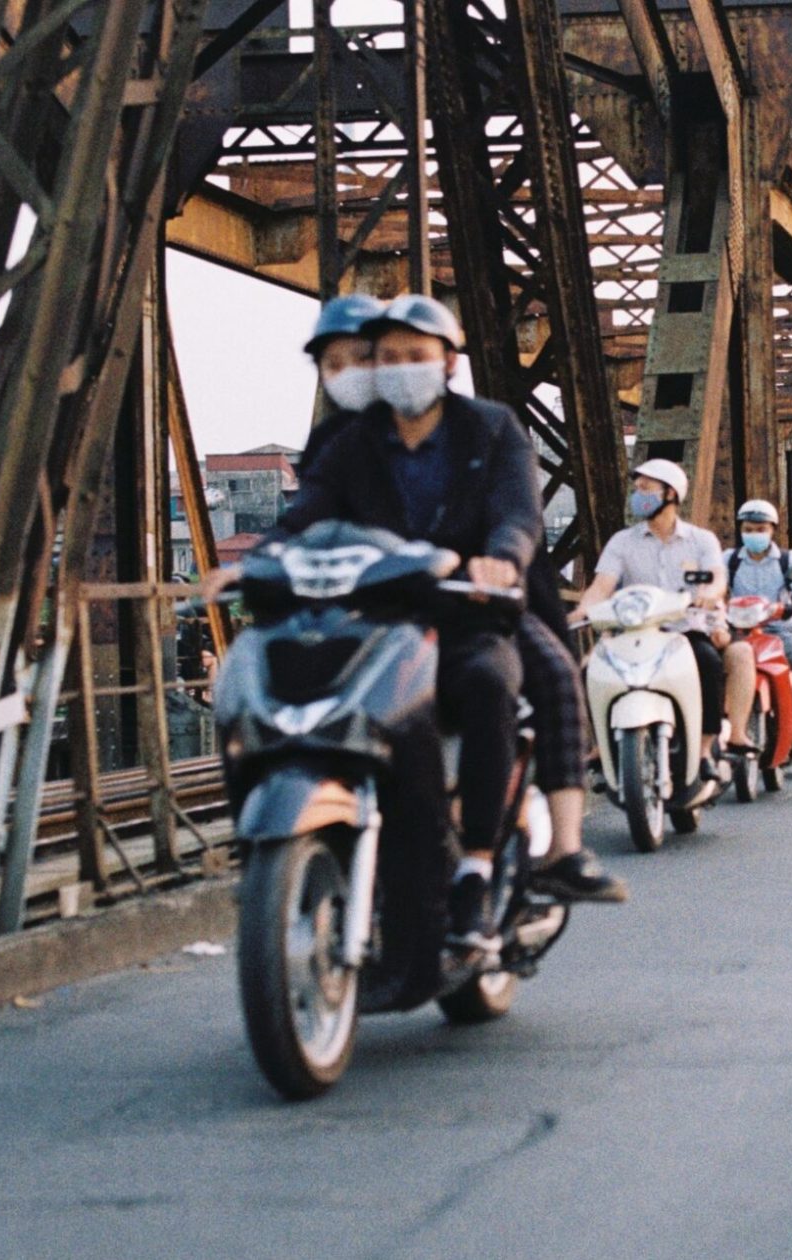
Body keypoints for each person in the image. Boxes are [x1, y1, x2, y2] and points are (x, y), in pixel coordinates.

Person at [206, 293, 623, 958]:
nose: (401, 368)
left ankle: (487, 866)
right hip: (384, 614)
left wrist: (501, 559)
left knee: (499, 680)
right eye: (389, 356)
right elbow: (309, 513)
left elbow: (518, 513)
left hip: (469, 607)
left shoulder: (490, 428)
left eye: (416, 355)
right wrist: (255, 561)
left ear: (449, 361)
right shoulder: (354, 442)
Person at [574, 459, 757, 771]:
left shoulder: (701, 540)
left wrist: (708, 593)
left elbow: (716, 578)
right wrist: (583, 610)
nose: (638, 495)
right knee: (589, 669)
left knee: (707, 662)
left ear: (671, 494)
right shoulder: (622, 542)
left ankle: (703, 749)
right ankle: (599, 746)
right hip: (634, 633)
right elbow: (602, 586)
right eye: (636, 489)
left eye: (646, 488)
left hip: (684, 630)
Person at [723, 500, 792, 754]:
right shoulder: (729, 559)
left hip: (778, 630)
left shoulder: (788, 560)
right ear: (741, 529)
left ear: (772, 529)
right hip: (739, 631)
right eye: (749, 529)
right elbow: (716, 588)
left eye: (761, 529)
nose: (754, 534)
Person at [298, 293, 385, 474]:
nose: (349, 373)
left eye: (363, 358)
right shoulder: (324, 441)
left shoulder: (437, 429)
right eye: (334, 365)